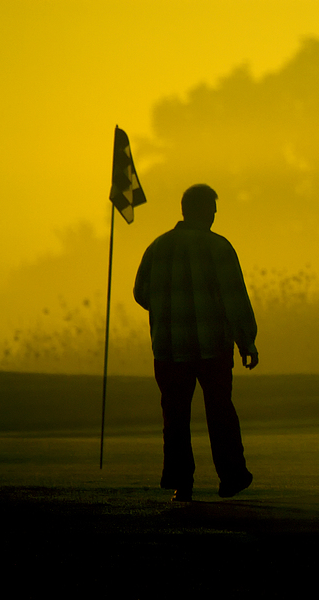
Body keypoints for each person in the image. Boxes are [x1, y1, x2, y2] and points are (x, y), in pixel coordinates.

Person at [134, 184, 258, 502]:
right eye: (213, 210)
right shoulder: (218, 248)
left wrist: (170, 308)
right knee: (220, 411)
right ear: (206, 211)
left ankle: (181, 483)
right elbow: (234, 300)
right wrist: (247, 341)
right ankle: (231, 476)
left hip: (168, 348)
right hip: (212, 347)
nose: (216, 216)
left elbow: (141, 293)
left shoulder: (157, 247)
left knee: (175, 415)